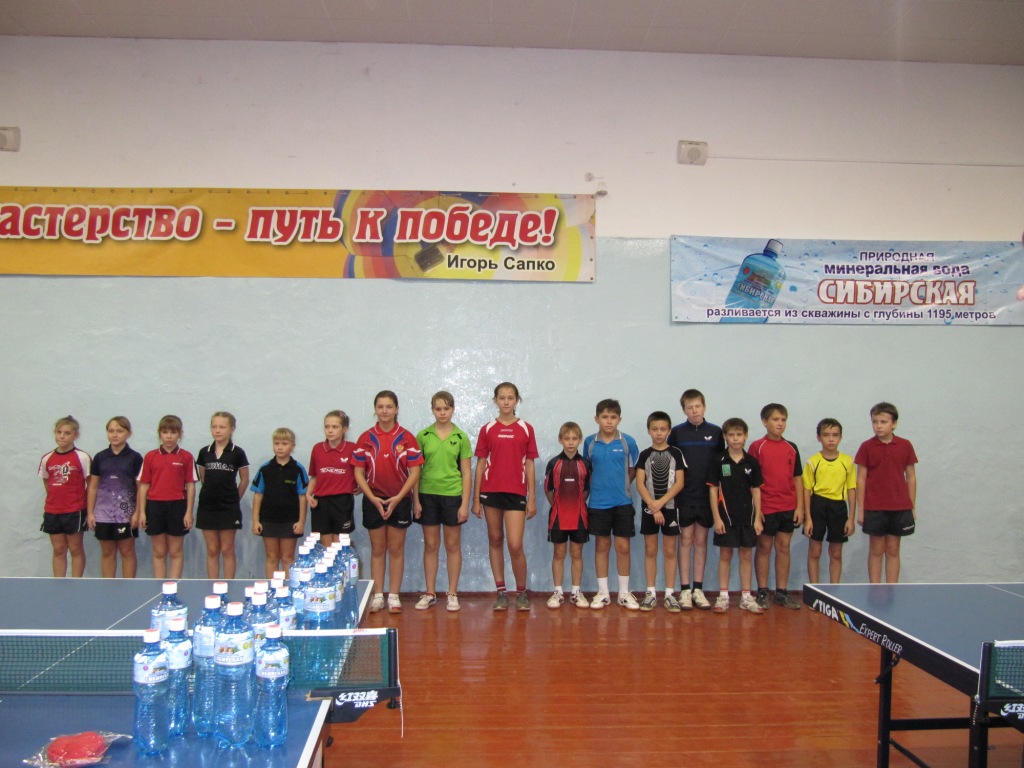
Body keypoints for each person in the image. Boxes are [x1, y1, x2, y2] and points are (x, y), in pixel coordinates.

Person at [353, 391, 423, 614]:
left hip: (400, 500)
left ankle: (393, 596)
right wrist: (372, 498)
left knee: (396, 549)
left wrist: (399, 497)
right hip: (373, 500)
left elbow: (415, 472)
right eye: (380, 406)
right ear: (375, 409)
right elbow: (358, 472)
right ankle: (378, 596)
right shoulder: (365, 438)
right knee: (377, 549)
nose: (385, 411)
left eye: (389, 406)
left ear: (396, 409)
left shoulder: (406, 437)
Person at [473, 382, 539, 612]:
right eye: (502, 398)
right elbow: (480, 464)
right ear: (496, 401)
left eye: (510, 398)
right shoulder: (487, 429)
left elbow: (529, 465)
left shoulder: (526, 428)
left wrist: (532, 498)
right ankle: (501, 592)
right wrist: (475, 499)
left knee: (515, 544)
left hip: (516, 493)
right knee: (495, 539)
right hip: (490, 492)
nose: (506, 402)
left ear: (516, 400)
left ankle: (521, 592)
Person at [413, 391, 472, 612]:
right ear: (433, 410)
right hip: (427, 495)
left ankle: (452, 593)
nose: (442, 413)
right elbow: (415, 471)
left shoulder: (461, 437)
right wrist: (416, 500)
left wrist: (464, 504)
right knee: (430, 545)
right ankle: (430, 593)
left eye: (446, 408)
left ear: (453, 409)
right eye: (438, 409)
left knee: (452, 545)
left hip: (452, 496)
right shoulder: (423, 436)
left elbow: (467, 473)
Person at [667, 388, 723, 610]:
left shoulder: (716, 432)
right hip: (684, 496)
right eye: (689, 407)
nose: (694, 410)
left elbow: (721, 464)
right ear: (684, 410)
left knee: (701, 541)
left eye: (698, 406)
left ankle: (698, 589)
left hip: (707, 496)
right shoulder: (677, 433)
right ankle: (684, 590)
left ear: (704, 407)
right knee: (686, 540)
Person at [583, 399, 640, 611]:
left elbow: (634, 469)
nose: (609, 421)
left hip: (622, 502)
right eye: (605, 417)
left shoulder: (628, 442)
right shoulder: (589, 442)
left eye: (613, 417)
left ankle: (624, 592)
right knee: (602, 546)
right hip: (598, 503)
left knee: (623, 547)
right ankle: (603, 592)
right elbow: (587, 470)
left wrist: (622, 485)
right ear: (597, 418)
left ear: (619, 419)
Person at [855, 402, 918, 584]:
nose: (879, 426)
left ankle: (892, 589)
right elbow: (860, 479)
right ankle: (875, 588)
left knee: (893, 549)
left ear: (894, 423)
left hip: (899, 508)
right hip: (875, 508)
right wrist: (861, 510)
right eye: (875, 422)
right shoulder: (866, 447)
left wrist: (911, 506)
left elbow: (911, 477)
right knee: (876, 550)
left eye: (883, 422)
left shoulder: (905, 445)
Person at [707, 418, 765, 614]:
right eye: (731, 435)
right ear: (725, 437)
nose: (735, 439)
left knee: (746, 555)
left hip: (747, 518)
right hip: (726, 518)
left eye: (739, 435)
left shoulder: (752, 462)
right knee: (725, 555)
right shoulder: (718, 461)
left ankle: (746, 596)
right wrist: (717, 518)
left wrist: (757, 518)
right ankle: (723, 595)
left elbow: (756, 490)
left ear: (745, 436)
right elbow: (713, 490)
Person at [749, 403, 803, 610]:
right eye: (775, 419)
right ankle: (762, 591)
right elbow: (751, 482)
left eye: (783, 420)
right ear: (765, 422)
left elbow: (797, 478)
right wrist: (757, 509)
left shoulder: (791, 447)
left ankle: (781, 592)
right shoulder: (757, 447)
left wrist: (800, 507)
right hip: (766, 507)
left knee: (784, 547)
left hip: (787, 506)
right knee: (764, 548)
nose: (780, 423)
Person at [635, 411, 686, 612]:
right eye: (655, 429)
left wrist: (662, 503)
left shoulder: (676, 453)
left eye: (663, 429)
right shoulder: (644, 455)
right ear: (649, 431)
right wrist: (652, 505)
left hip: (671, 509)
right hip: (649, 509)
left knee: (670, 551)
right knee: (650, 550)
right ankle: (650, 593)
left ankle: (670, 594)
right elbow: (640, 483)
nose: (659, 433)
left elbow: (679, 482)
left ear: (669, 431)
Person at [136, 415, 197, 579]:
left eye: (173, 432)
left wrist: (188, 512)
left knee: (175, 551)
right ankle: (159, 586)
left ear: (180, 434)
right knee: (159, 551)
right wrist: (142, 512)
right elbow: (144, 486)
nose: (169, 436)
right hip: (155, 507)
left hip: (177, 507)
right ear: (159, 434)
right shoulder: (150, 457)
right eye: (165, 432)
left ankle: (173, 586)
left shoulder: (186, 457)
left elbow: (191, 486)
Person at [195, 411, 249, 579]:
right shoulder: (204, 452)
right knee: (212, 549)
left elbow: (245, 480)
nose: (217, 430)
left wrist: (234, 499)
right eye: (214, 427)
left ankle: (228, 585)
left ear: (232, 429)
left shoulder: (237, 453)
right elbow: (203, 478)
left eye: (222, 427)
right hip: (207, 507)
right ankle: (213, 586)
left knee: (227, 549)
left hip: (228, 508)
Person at [87, 416, 143, 578]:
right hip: (102, 514)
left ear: (128, 434)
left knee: (127, 551)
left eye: (119, 431)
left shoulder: (135, 458)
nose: (115, 434)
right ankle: (107, 587)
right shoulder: (100, 457)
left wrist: (138, 512)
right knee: (107, 552)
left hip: (126, 514)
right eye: (111, 431)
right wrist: (90, 513)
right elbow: (93, 487)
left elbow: (141, 488)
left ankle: (129, 587)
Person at [544, 422, 592, 610]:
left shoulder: (585, 464)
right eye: (567, 439)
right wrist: (558, 505)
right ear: (560, 440)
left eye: (574, 439)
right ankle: (558, 592)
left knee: (577, 553)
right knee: (559, 553)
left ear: (579, 440)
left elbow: (587, 490)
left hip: (579, 517)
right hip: (558, 517)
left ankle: (575, 592)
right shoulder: (553, 464)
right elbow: (548, 490)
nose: (570, 442)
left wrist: (577, 504)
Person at [803, 418, 856, 584]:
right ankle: (814, 589)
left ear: (840, 437)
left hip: (838, 508)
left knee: (836, 553)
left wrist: (851, 518)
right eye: (826, 435)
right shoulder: (812, 462)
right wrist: (808, 518)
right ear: (819, 438)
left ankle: (835, 590)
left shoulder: (847, 461)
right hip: (817, 505)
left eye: (835, 435)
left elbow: (851, 489)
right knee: (815, 551)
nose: (831, 439)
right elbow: (806, 490)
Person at [251, 428, 309, 578]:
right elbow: (258, 495)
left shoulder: (298, 469)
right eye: (276, 443)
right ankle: (272, 588)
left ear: (292, 446)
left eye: (284, 443)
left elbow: (303, 497)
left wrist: (301, 521)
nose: (280, 447)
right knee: (272, 557)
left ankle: (289, 588)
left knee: (287, 558)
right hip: (268, 520)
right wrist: (256, 520)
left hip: (290, 521)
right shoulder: (265, 469)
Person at [38, 415, 91, 577]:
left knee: (75, 549)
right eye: (59, 432)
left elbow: (90, 484)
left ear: (76, 435)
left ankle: (77, 583)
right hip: (53, 511)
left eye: (67, 433)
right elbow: (47, 481)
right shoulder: (47, 458)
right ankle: (58, 584)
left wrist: (88, 510)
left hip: (74, 510)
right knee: (58, 549)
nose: (62, 436)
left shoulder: (82, 457)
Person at [306, 410, 358, 548]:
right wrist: (308, 494)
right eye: (327, 426)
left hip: (342, 502)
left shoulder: (352, 448)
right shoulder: (317, 449)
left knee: (339, 545)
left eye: (335, 427)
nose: (330, 430)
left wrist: (360, 487)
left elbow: (361, 473)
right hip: (321, 502)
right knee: (326, 547)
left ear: (344, 428)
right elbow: (314, 476)